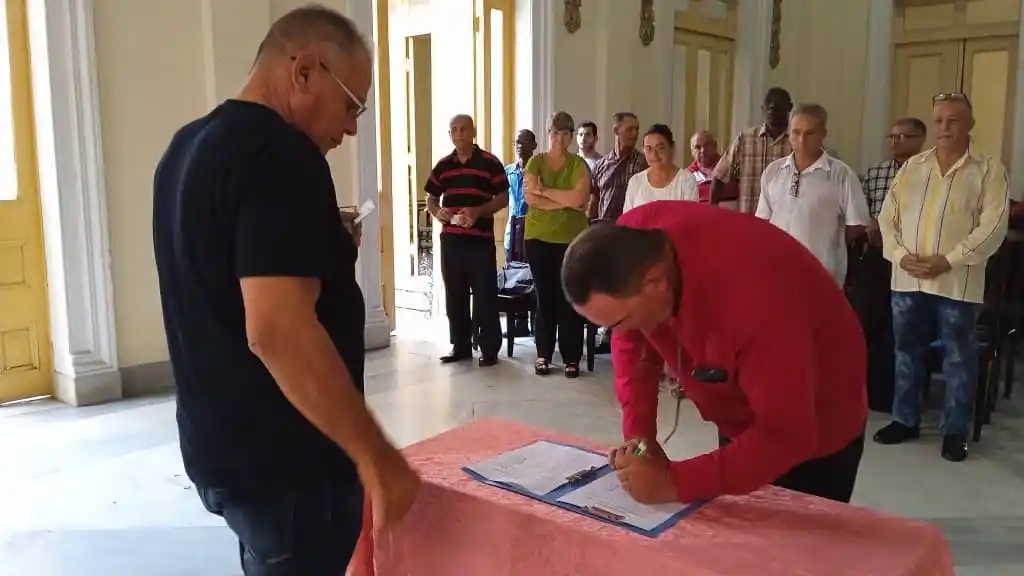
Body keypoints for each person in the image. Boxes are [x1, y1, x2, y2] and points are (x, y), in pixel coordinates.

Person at [152, 7, 419, 575]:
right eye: (352, 103)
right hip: (290, 467)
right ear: (304, 72)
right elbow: (277, 329)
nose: (351, 127)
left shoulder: (185, 148)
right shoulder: (281, 155)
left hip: (223, 450)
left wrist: (322, 239)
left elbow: (226, 276)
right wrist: (375, 456)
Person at [561, 201, 868, 504]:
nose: (616, 332)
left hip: (818, 420)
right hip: (738, 408)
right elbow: (631, 346)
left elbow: (787, 434)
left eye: (617, 322)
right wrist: (640, 437)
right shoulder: (628, 244)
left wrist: (675, 483)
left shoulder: (754, 296)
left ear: (655, 282)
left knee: (795, 548)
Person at [874, 93, 1009, 462]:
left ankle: (954, 432)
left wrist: (947, 260)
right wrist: (902, 256)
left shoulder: (988, 169)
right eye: (938, 121)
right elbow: (887, 219)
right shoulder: (912, 168)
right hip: (908, 279)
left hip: (956, 282)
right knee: (906, 352)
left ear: (970, 124)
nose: (944, 128)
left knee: (958, 357)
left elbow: (993, 226)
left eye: (953, 121)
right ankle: (905, 419)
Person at [425, 114, 510, 367]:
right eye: (454, 129)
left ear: (473, 131)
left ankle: (489, 348)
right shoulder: (443, 165)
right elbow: (431, 197)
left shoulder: (489, 162)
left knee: (485, 295)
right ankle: (460, 346)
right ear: (449, 134)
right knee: (455, 295)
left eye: (464, 129)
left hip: (480, 240)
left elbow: (504, 197)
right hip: (451, 241)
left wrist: (478, 211)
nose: (459, 133)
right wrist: (437, 211)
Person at [756, 103, 871, 286]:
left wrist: (826, 241)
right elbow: (764, 220)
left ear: (823, 133)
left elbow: (855, 225)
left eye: (810, 133)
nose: (802, 140)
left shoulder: (841, 174)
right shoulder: (773, 171)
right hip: (777, 270)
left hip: (822, 274)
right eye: (796, 132)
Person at [523, 111, 591, 378]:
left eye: (565, 133)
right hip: (538, 238)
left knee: (569, 299)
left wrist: (545, 191)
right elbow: (530, 198)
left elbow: (580, 199)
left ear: (572, 137)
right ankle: (543, 355)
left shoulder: (578, 164)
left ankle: (572, 357)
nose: (559, 138)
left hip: (572, 240)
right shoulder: (535, 162)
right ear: (547, 133)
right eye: (554, 132)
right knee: (545, 298)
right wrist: (565, 200)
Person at [710, 87, 793, 213]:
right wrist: (712, 210)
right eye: (768, 102)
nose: (772, 106)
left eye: (778, 101)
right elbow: (719, 175)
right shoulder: (745, 139)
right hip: (749, 220)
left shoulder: (798, 140)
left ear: (790, 107)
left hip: (784, 221)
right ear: (762, 108)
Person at [623, 124, 699, 213]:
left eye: (660, 148)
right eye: (649, 149)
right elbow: (627, 220)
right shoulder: (635, 181)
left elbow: (690, 218)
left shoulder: (686, 180)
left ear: (672, 148)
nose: (654, 155)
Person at [588, 112, 647, 222]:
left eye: (636, 129)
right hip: (604, 228)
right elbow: (594, 199)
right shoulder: (601, 165)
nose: (635, 134)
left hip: (631, 228)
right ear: (616, 131)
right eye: (630, 129)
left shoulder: (644, 163)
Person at [687, 130, 739, 208]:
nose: (703, 150)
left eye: (707, 145)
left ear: (715, 146)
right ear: (692, 151)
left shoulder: (732, 168)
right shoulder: (687, 176)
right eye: (698, 147)